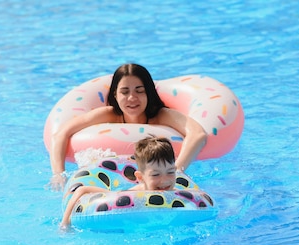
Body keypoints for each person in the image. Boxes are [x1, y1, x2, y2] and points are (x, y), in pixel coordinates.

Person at [50, 63, 207, 188]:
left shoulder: (162, 115)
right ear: (115, 95)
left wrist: (177, 171)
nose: (132, 98)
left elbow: (197, 134)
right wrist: (59, 173)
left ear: (149, 93)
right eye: (125, 92)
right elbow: (61, 133)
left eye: (139, 91)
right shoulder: (108, 115)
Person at [60, 137, 177, 228]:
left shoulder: (179, 195)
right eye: (156, 174)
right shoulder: (130, 196)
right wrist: (65, 222)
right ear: (140, 177)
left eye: (170, 172)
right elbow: (82, 190)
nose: (165, 180)